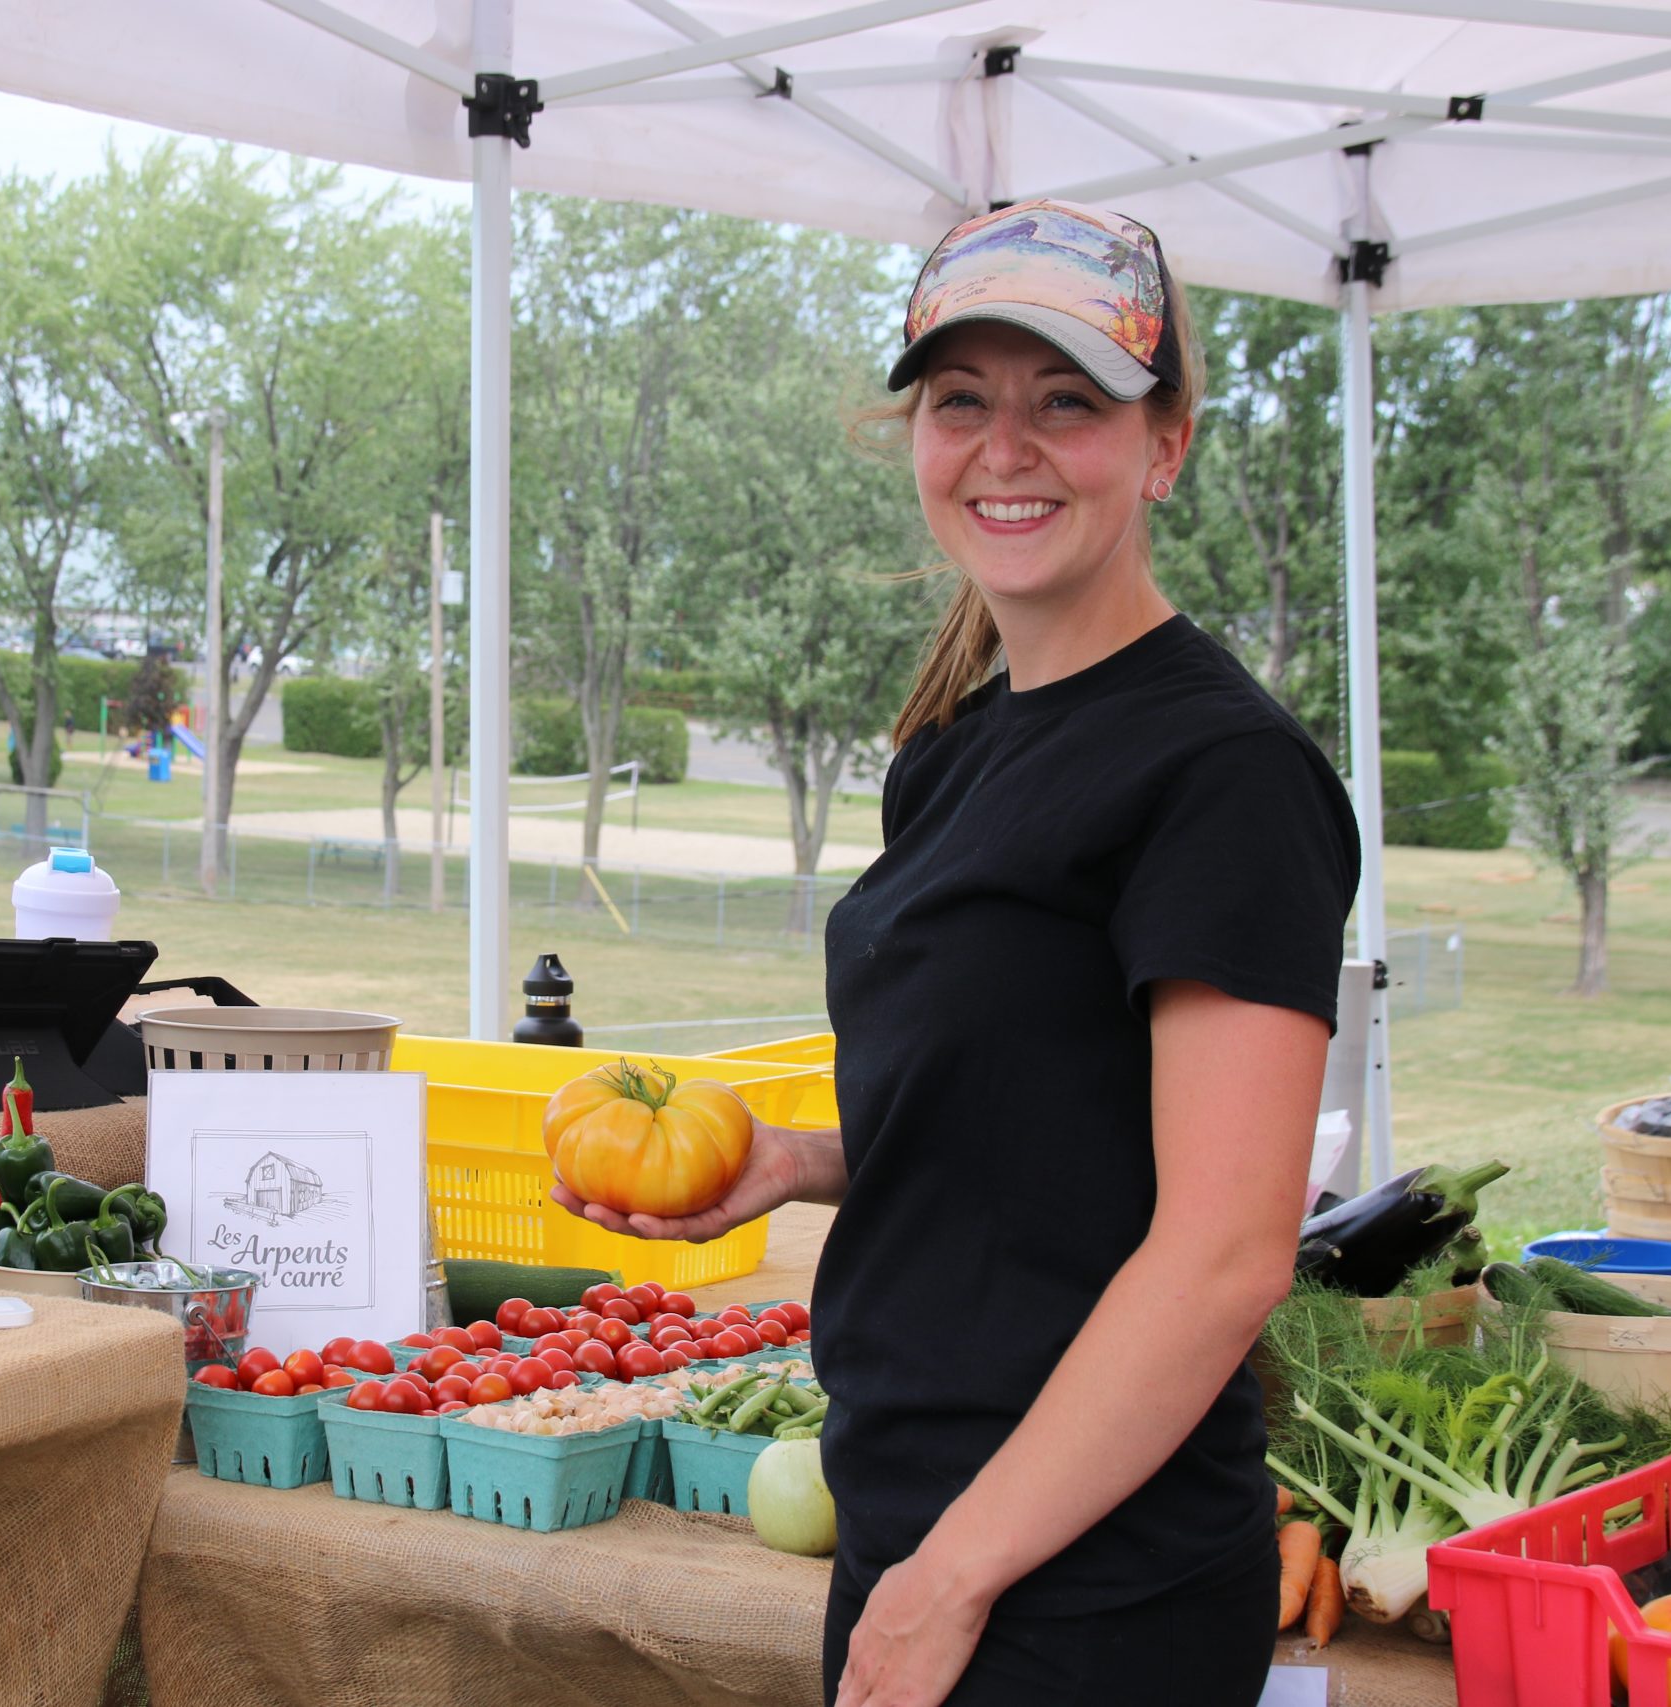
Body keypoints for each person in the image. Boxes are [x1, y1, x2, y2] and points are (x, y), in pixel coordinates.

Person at [550, 197, 1361, 1707]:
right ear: (915, 435)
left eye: (1069, 402)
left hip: (1082, 1585)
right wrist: (801, 1159)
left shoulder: (1223, 777)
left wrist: (954, 1579)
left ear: (1165, 443)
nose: (1008, 447)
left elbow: (1226, 1253)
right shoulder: (957, 744)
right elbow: (1039, 1111)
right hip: (922, 1516)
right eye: (962, 401)